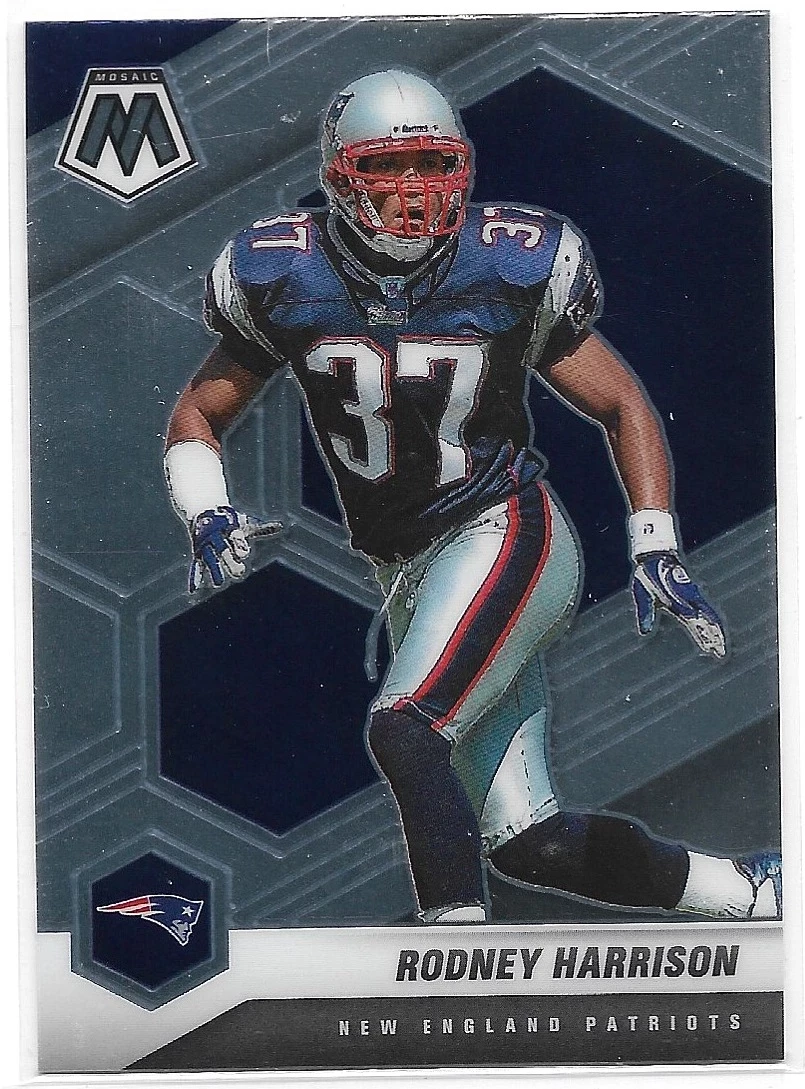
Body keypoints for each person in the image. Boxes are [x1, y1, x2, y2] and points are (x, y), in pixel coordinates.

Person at [164, 69, 781, 924]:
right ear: (339, 174)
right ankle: (749, 890)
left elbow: (620, 403)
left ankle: (450, 937)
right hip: (406, 568)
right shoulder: (282, 271)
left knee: (406, 725)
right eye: (388, 166)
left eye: (431, 163)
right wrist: (205, 504)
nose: (414, 187)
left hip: (504, 529)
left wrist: (654, 542)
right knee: (531, 842)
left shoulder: (508, 261)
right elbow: (199, 410)